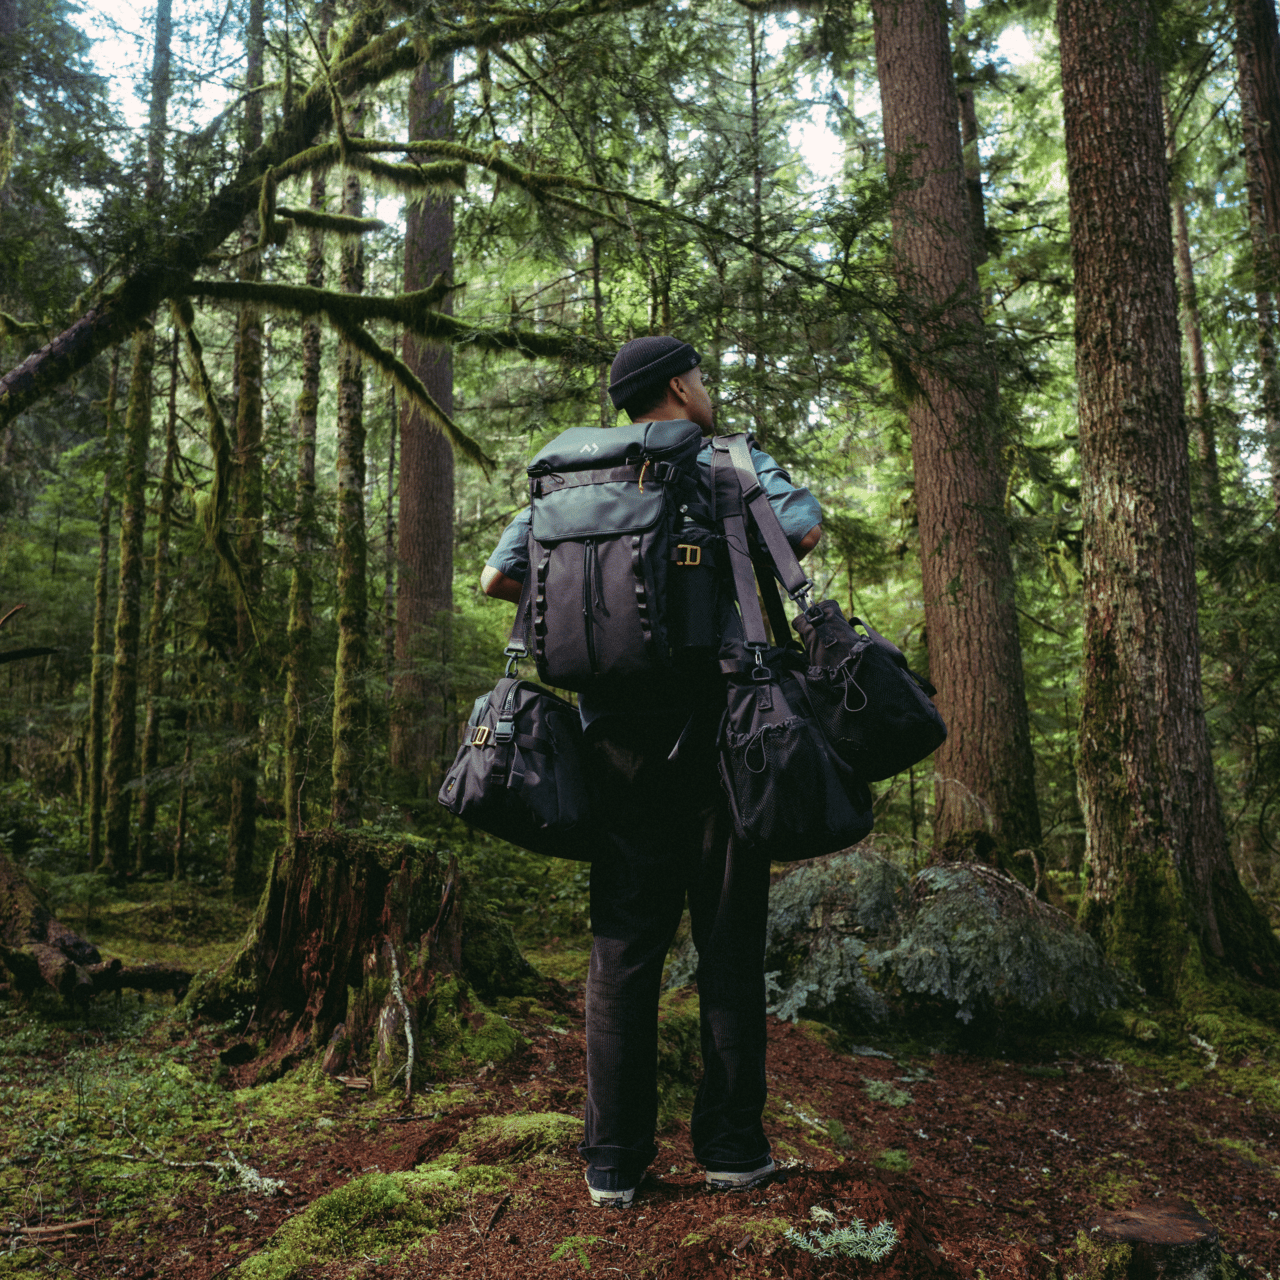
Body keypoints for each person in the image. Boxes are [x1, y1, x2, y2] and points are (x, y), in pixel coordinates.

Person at [481, 336, 823, 1208]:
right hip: (722, 736)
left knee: (623, 948)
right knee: (729, 942)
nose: (706, 390)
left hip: (613, 740)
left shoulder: (569, 476)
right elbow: (804, 529)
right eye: (700, 377)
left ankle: (612, 1164)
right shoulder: (728, 459)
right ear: (679, 384)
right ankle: (734, 1150)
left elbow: (498, 578)